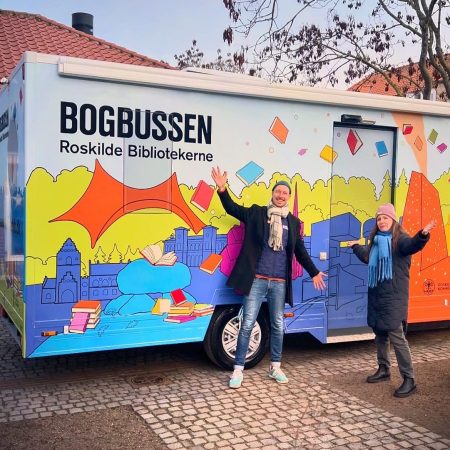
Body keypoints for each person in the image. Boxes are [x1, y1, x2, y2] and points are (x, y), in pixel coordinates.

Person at [211, 166, 327, 389]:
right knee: (247, 323)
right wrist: (222, 189)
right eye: (278, 191)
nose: (281, 195)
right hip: (257, 279)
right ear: (272, 193)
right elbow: (232, 208)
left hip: (279, 282)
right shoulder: (257, 213)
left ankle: (275, 367)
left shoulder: (293, 222)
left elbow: (300, 251)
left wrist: (314, 272)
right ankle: (238, 369)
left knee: (277, 324)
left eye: (285, 193)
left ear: (288, 196)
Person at [348, 203, 435, 398]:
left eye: (385, 218)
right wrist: (355, 246)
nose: (382, 221)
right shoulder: (376, 242)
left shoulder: (400, 241)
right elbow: (366, 257)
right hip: (377, 296)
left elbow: (413, 245)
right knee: (380, 334)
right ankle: (384, 369)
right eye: (379, 219)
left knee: (397, 338)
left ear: (393, 220)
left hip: (394, 298)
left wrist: (422, 235)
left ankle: (409, 379)